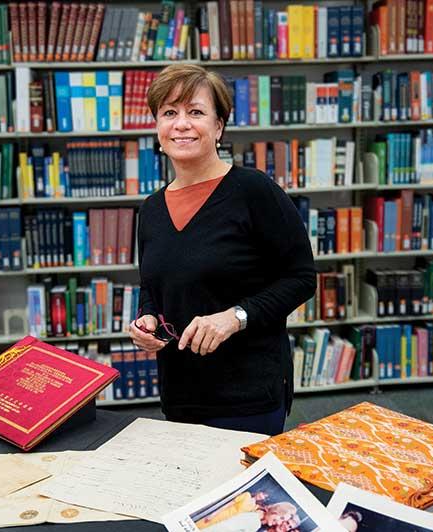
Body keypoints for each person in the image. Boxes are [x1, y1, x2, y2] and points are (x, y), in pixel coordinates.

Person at [128, 64, 316, 436]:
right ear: (157, 128)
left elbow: (301, 277)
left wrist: (235, 316)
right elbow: (152, 286)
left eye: (195, 112)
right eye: (169, 113)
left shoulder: (254, 191)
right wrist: (146, 320)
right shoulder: (150, 210)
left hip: (247, 395)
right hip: (180, 392)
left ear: (218, 127)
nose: (181, 124)